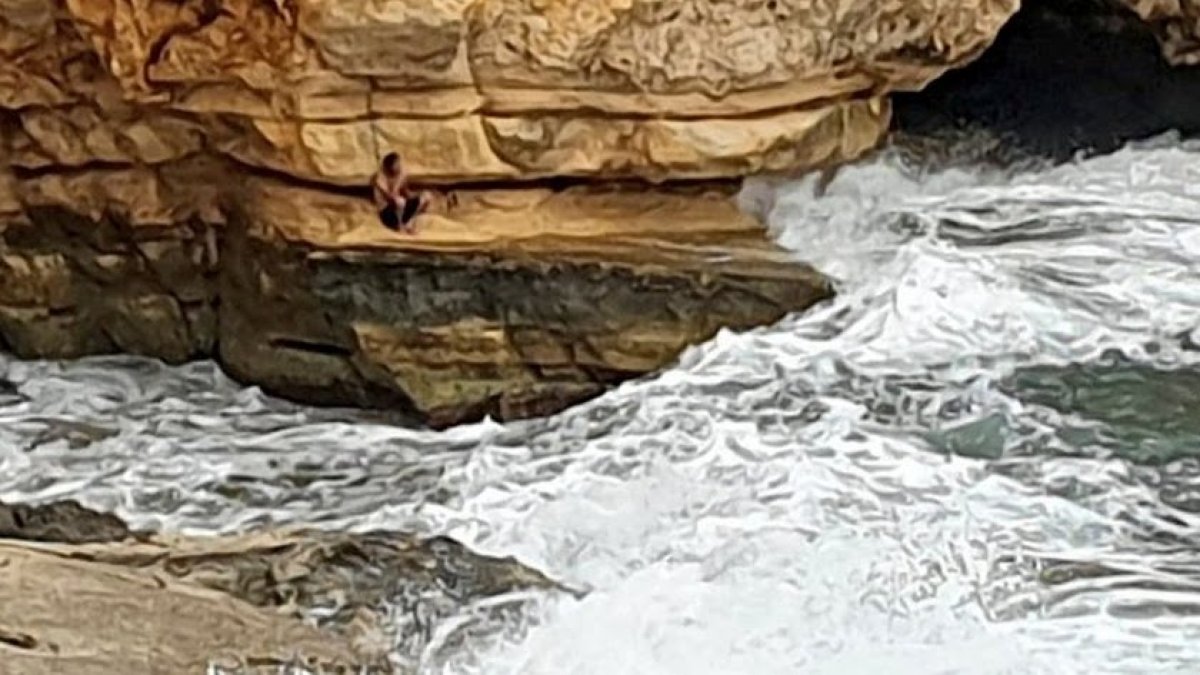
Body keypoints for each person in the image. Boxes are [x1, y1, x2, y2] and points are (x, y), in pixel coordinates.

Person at [372, 152, 425, 233]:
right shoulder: (380, 178)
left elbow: (405, 191)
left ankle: (408, 224)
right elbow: (390, 197)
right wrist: (398, 183)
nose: (399, 166)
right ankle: (399, 226)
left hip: (399, 209)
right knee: (400, 201)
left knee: (422, 198)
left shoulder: (400, 174)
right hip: (386, 211)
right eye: (396, 164)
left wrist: (416, 195)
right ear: (389, 166)